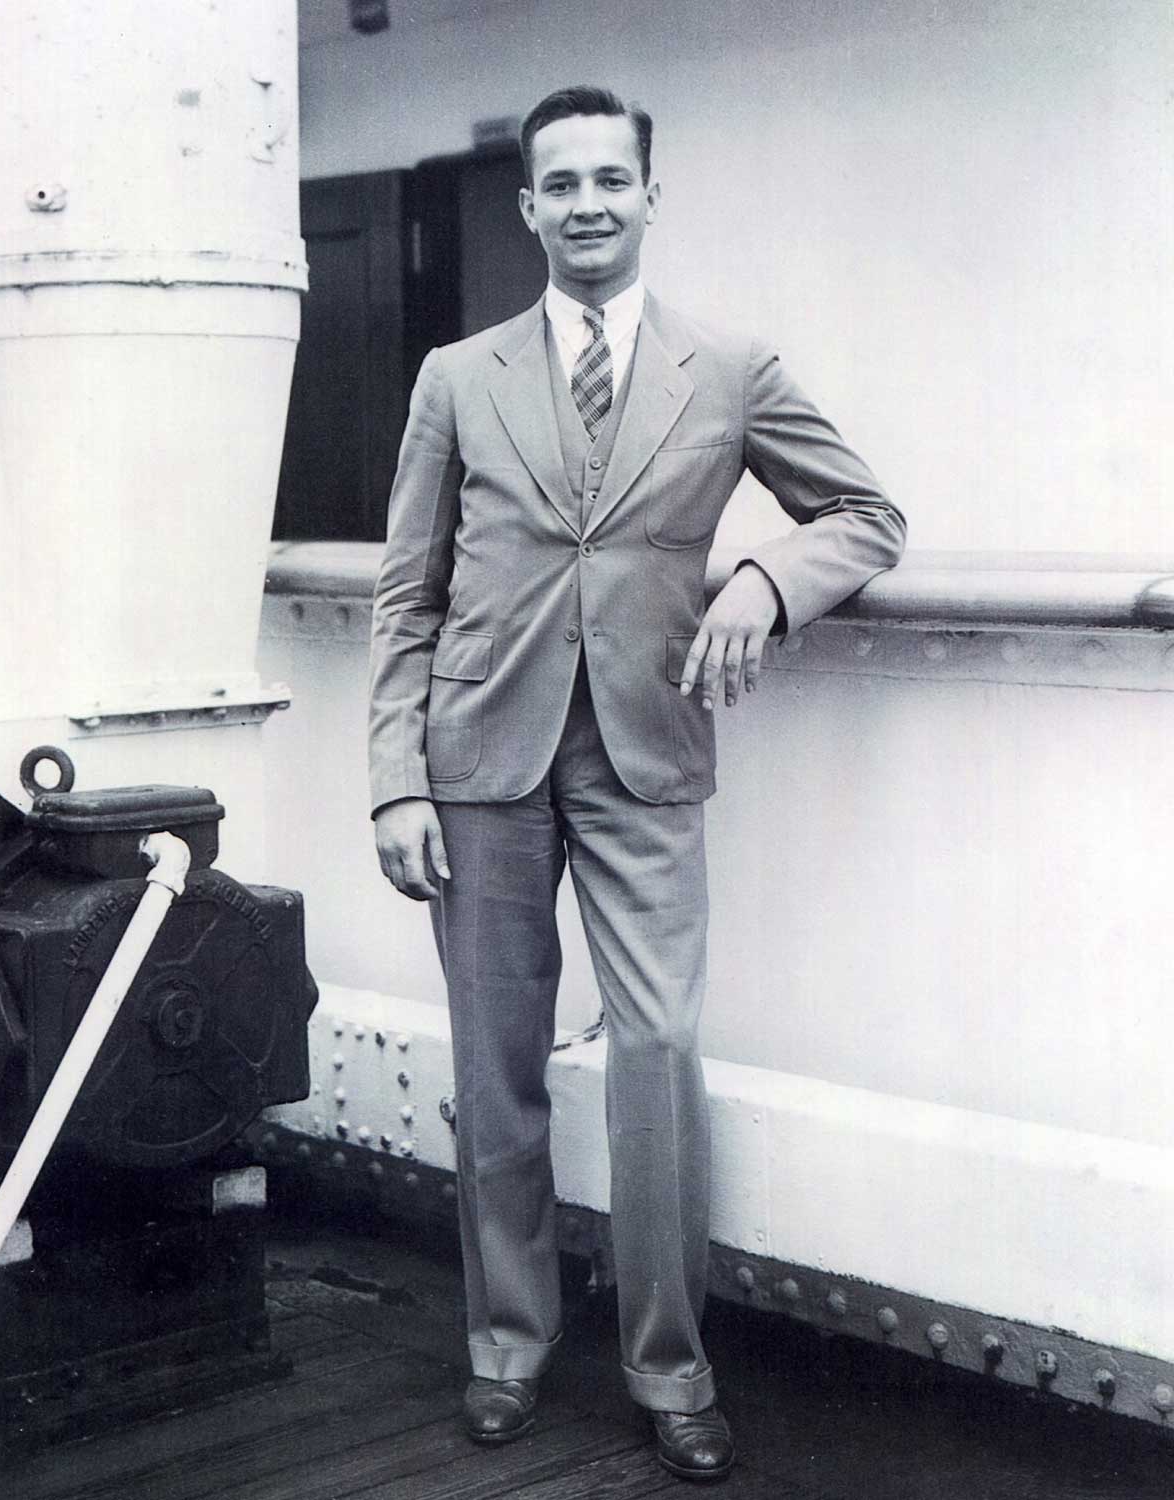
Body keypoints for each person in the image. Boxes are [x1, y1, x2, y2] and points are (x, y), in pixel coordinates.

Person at [368, 84, 906, 1482]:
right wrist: (393, 783)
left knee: (658, 1055)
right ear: (530, 206)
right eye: (564, 184)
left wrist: (765, 586)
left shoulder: (728, 366)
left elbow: (865, 514)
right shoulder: (456, 376)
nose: (590, 203)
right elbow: (404, 596)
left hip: (647, 755)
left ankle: (672, 1367)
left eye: (615, 179)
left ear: (650, 198)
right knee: (495, 1073)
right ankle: (504, 1347)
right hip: (478, 759)